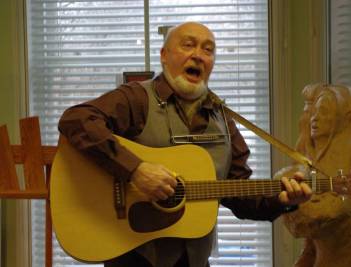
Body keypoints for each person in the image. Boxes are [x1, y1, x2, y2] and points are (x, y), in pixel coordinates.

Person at [58, 21, 312, 267]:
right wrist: (135, 170)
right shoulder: (136, 99)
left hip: (194, 260)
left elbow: (239, 196)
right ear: (164, 55)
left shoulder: (223, 119)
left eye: (208, 49)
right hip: (133, 255)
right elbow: (76, 120)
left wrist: (284, 199)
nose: (199, 55)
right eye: (188, 45)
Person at [274, 84, 351, 267]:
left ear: (342, 118)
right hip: (319, 246)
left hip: (345, 250)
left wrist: (294, 204)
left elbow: (334, 210)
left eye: (324, 112)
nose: (315, 118)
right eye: (313, 112)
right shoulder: (315, 155)